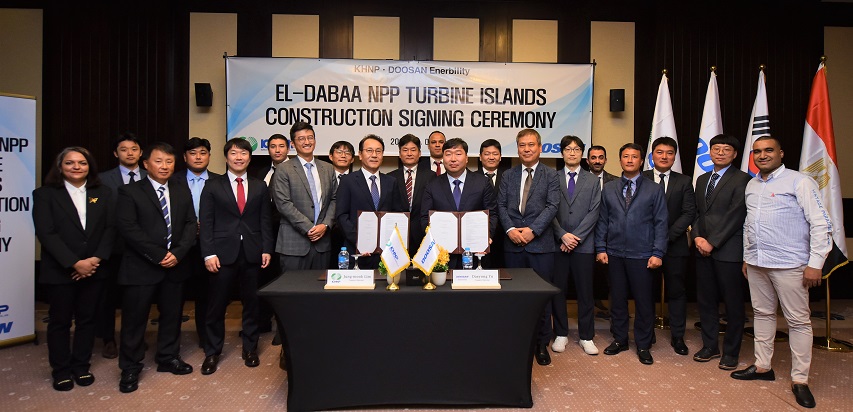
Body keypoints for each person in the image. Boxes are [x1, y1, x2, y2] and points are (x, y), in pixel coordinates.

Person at [730, 136, 831, 409]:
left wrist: (816, 263)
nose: (762, 155)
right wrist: (747, 256)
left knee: (798, 321)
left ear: (781, 153)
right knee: (761, 314)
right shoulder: (751, 185)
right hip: (756, 263)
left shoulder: (800, 182)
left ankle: (800, 380)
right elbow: (749, 225)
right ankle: (763, 366)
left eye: (768, 151)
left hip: (791, 265)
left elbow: (821, 224)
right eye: (757, 152)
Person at [116, 142, 198, 393]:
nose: (165, 166)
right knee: (135, 319)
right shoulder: (129, 192)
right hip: (142, 266)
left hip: (175, 265)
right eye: (159, 161)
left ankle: (167, 357)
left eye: (169, 162)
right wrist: (159, 254)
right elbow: (129, 229)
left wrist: (178, 253)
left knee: (172, 316)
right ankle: (130, 367)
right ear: (146, 164)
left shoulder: (181, 188)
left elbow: (189, 224)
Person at [33, 147, 115, 391]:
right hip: (61, 270)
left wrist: (95, 259)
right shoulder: (45, 195)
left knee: (87, 320)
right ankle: (60, 370)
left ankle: (81, 366)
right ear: (60, 167)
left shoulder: (104, 193)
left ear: (90, 166)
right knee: (59, 321)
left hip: (94, 268)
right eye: (70, 163)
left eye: (82, 162)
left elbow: (111, 229)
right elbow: (46, 234)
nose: (76, 167)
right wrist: (74, 263)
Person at [199, 138, 274, 375]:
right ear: (226, 157)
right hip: (221, 254)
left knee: (252, 304)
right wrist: (208, 253)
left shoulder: (260, 185)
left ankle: (250, 349)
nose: (239, 157)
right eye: (234, 153)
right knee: (216, 305)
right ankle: (212, 352)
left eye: (243, 153)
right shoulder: (212, 186)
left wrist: (266, 248)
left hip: (252, 252)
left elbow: (265, 220)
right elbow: (207, 222)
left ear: (250, 158)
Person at [595, 142, 668, 365]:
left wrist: (658, 252)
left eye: (634, 157)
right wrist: (600, 247)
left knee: (644, 302)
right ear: (620, 160)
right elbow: (603, 221)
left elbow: (661, 223)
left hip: (643, 254)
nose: (629, 160)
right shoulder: (609, 188)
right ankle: (620, 339)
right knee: (617, 300)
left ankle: (644, 344)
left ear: (641, 161)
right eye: (625, 156)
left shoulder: (654, 189)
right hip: (615, 253)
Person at [497, 128, 560, 366]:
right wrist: (511, 230)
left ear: (540, 147)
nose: (526, 149)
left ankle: (541, 344)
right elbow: (501, 206)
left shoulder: (551, 175)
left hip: (540, 246)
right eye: (522, 145)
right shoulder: (508, 175)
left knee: (540, 299)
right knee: (515, 298)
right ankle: (517, 342)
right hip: (512, 245)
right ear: (517, 148)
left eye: (531, 145)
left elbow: (552, 206)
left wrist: (532, 230)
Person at [691, 134, 752, 370]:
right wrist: (696, 236)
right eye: (716, 149)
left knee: (733, 304)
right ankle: (709, 346)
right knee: (706, 301)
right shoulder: (703, 178)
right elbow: (697, 213)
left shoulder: (743, 179)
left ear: (735, 154)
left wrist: (712, 242)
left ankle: (731, 352)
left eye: (726, 149)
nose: (720, 153)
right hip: (701, 247)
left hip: (728, 250)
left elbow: (736, 215)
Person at [642, 137, 696, 356]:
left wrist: (664, 238)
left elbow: (688, 213)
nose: (664, 157)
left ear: (674, 156)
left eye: (669, 153)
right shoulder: (641, 178)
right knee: (646, 292)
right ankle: (647, 334)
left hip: (675, 246)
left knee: (676, 292)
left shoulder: (684, 181)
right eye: (660, 152)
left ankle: (678, 336)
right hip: (644, 246)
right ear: (652, 155)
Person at [95, 133, 146, 359]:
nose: (129, 153)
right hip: (113, 248)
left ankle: (136, 338)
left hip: (143, 250)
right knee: (108, 296)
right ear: (116, 153)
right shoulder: (102, 179)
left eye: (134, 149)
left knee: (137, 299)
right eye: (124, 149)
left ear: (141, 153)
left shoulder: (151, 176)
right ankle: (108, 338)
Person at [551, 135, 601, 356]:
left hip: (583, 245)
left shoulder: (592, 180)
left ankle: (586, 336)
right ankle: (561, 333)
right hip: (557, 244)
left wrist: (574, 238)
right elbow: (548, 210)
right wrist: (562, 235)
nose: (572, 153)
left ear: (582, 153)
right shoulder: (552, 177)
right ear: (562, 152)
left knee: (585, 292)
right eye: (568, 149)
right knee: (558, 291)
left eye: (577, 149)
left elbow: (595, 211)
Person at [169, 137, 220, 350]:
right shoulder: (172, 180)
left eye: (202, 153)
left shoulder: (219, 181)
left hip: (209, 247)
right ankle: (170, 342)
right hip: (179, 248)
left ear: (209, 156)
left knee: (206, 296)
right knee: (174, 297)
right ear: (184, 157)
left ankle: (206, 337)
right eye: (193, 153)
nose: (198, 157)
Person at [421, 138, 497, 269]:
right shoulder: (432, 185)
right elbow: (424, 217)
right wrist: (432, 241)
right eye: (448, 154)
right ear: (443, 158)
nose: (453, 159)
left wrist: (486, 236)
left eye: (458, 153)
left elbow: (493, 213)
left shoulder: (482, 182)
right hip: (443, 257)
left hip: (475, 254)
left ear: (466, 158)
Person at [271, 121, 336, 270]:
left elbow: (335, 199)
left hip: (322, 244)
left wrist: (325, 225)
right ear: (293, 144)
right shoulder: (283, 169)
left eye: (310, 137)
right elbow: (283, 204)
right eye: (301, 139)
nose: (307, 142)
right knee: (292, 291)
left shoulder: (327, 168)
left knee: (319, 291)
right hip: (294, 245)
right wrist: (309, 228)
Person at [335, 135, 405, 269]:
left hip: (385, 253)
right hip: (357, 251)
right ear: (360, 155)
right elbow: (341, 216)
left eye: (378, 151)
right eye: (369, 151)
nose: (374, 155)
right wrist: (360, 241)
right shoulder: (348, 181)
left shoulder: (391, 182)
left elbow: (397, 214)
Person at [255, 133, 289, 336]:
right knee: (264, 279)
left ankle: (282, 329)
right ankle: (263, 322)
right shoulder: (261, 173)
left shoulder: (295, 171)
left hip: (286, 232)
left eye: (281, 146)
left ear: (288, 148)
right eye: (273, 146)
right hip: (262, 236)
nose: (277, 150)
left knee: (282, 280)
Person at [389, 134, 435, 250]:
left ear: (419, 153)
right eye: (405, 150)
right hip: (397, 234)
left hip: (423, 234)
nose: (409, 153)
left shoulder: (431, 176)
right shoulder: (390, 177)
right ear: (400, 154)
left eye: (413, 150)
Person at [586, 145, 616, 318]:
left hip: (610, 237)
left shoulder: (616, 181)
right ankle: (589, 311)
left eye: (601, 157)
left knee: (612, 279)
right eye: (593, 157)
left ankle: (614, 314)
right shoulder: (579, 179)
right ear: (587, 160)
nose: (597, 161)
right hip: (585, 236)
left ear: (605, 159)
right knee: (587, 278)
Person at [477, 139, 505, 268]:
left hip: (505, 237)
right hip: (479, 236)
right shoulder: (473, 178)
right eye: (487, 154)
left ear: (500, 157)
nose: (491, 157)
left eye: (495, 154)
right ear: (480, 157)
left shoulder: (508, 176)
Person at [328, 140, 355, 268]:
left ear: (353, 159)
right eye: (339, 152)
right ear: (330, 156)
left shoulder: (357, 180)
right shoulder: (322, 179)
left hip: (350, 235)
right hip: (326, 234)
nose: (343, 156)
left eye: (347, 153)